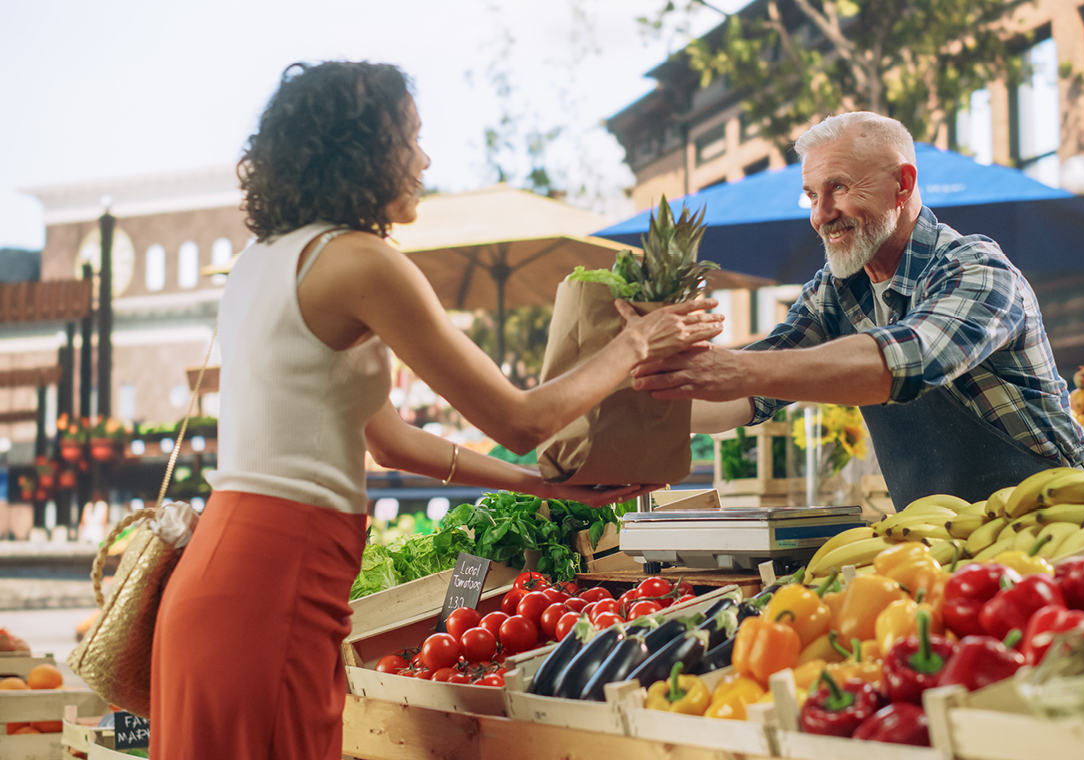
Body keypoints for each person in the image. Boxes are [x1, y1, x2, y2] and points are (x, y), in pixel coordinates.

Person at [149, 61, 722, 760]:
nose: (424, 159)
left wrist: (541, 486)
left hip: (223, 577)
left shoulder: (263, 260)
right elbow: (520, 420)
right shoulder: (364, 261)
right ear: (363, 150)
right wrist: (636, 342)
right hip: (278, 582)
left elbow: (388, 441)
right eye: (411, 138)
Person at [632, 112, 1084, 510]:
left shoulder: (977, 268)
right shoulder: (835, 292)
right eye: (812, 195)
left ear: (903, 184)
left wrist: (734, 366)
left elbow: (909, 359)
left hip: (1056, 517)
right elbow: (749, 393)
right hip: (940, 540)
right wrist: (632, 404)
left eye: (839, 187)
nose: (821, 214)